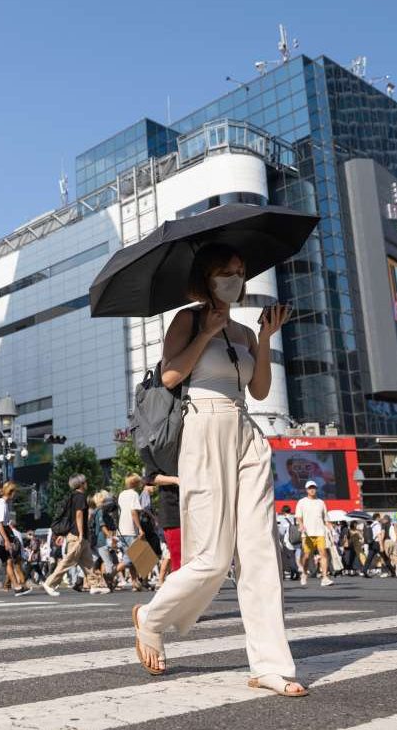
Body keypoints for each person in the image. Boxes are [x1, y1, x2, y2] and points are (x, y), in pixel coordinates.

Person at [131, 246, 304, 696]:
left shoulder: (244, 331)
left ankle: (270, 665)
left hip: (246, 429)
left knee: (260, 552)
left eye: (240, 271)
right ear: (206, 278)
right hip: (203, 427)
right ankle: (152, 617)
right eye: (226, 271)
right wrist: (206, 332)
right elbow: (170, 376)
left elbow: (260, 390)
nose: (235, 278)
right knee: (211, 556)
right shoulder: (187, 320)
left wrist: (265, 337)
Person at [44, 474, 92, 596]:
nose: (87, 483)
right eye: (85, 481)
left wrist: (64, 534)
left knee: (88, 563)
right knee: (68, 561)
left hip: (77, 535)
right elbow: (78, 515)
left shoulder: (72, 497)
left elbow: (69, 518)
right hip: (77, 536)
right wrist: (81, 533)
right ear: (81, 484)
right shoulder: (80, 496)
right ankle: (49, 583)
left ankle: (96, 585)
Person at [295, 481, 331, 587]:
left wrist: (330, 526)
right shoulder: (302, 502)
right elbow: (298, 517)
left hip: (320, 532)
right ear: (306, 490)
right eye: (310, 488)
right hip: (307, 533)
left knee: (323, 554)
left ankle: (325, 577)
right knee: (306, 556)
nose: (312, 490)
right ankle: (304, 573)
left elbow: (325, 518)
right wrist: (301, 525)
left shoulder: (321, 502)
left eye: (314, 487)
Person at [116, 475, 148, 591]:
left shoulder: (121, 494)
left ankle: (135, 583)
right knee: (132, 557)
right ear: (136, 483)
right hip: (130, 529)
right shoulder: (134, 494)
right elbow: (133, 512)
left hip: (122, 529)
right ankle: (111, 573)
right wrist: (140, 528)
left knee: (131, 558)